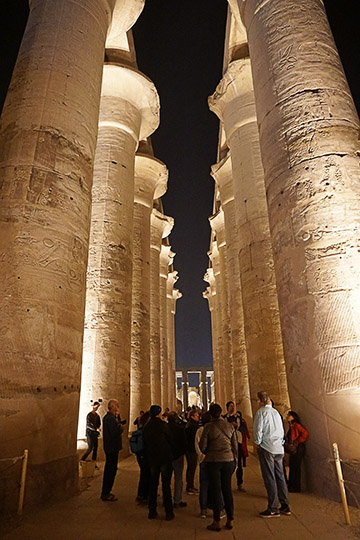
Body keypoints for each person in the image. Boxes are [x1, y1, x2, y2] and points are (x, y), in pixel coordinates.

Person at [199, 403, 238, 531]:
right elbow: (234, 445)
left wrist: (209, 451)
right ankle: (230, 519)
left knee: (216, 489)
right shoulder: (229, 426)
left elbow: (203, 446)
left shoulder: (208, 427)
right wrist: (235, 461)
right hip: (228, 460)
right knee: (227, 489)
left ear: (210, 414)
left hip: (213, 461)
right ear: (221, 412)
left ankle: (216, 521)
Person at [253, 391, 290, 518]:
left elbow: (258, 430)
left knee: (270, 477)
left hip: (267, 447)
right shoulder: (276, 413)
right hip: (279, 448)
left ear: (260, 401)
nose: (257, 402)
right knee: (280, 476)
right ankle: (285, 505)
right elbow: (282, 430)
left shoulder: (261, 412)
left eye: (257, 400)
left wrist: (257, 443)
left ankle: (273, 508)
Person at [143, 404, 175, 520]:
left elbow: (145, 441)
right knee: (166, 486)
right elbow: (170, 438)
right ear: (159, 413)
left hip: (152, 458)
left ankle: (152, 511)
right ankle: (169, 512)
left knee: (153, 484)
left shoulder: (147, 426)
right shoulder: (163, 425)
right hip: (164, 458)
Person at [100, 399, 123, 502]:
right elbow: (114, 433)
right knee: (110, 471)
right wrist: (121, 428)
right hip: (111, 447)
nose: (118, 407)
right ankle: (105, 493)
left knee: (111, 470)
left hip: (111, 447)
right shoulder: (110, 418)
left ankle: (106, 492)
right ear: (113, 406)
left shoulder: (109, 418)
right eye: (117, 406)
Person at [223, 401, 245, 491]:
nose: (232, 408)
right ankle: (226, 483)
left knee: (239, 463)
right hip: (228, 443)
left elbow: (243, 428)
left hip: (238, 441)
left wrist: (237, 427)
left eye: (233, 406)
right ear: (227, 408)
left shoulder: (238, 417)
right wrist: (230, 425)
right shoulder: (224, 418)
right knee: (228, 464)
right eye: (231, 406)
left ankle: (240, 483)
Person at [168, 411, 187, 508]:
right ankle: (177, 500)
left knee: (166, 479)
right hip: (178, 456)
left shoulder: (165, 428)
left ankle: (167, 499)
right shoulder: (180, 429)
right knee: (178, 478)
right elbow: (184, 443)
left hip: (167, 456)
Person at [285, 411, 309, 492]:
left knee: (296, 467)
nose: (287, 416)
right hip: (294, 449)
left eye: (289, 415)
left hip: (299, 448)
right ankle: (291, 485)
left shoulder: (296, 425)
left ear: (293, 417)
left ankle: (296, 487)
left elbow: (305, 433)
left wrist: (298, 441)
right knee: (292, 466)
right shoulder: (291, 426)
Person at [135, 410, 151, 504]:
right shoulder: (146, 428)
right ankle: (144, 495)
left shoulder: (142, 426)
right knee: (146, 474)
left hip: (140, 454)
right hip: (144, 454)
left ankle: (141, 494)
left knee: (144, 474)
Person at [185, 408, 200, 494]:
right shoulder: (193, 426)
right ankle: (189, 486)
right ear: (192, 416)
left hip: (189, 449)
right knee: (192, 468)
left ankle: (190, 485)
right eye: (197, 416)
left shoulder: (189, 424)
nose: (198, 417)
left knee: (190, 467)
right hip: (192, 449)